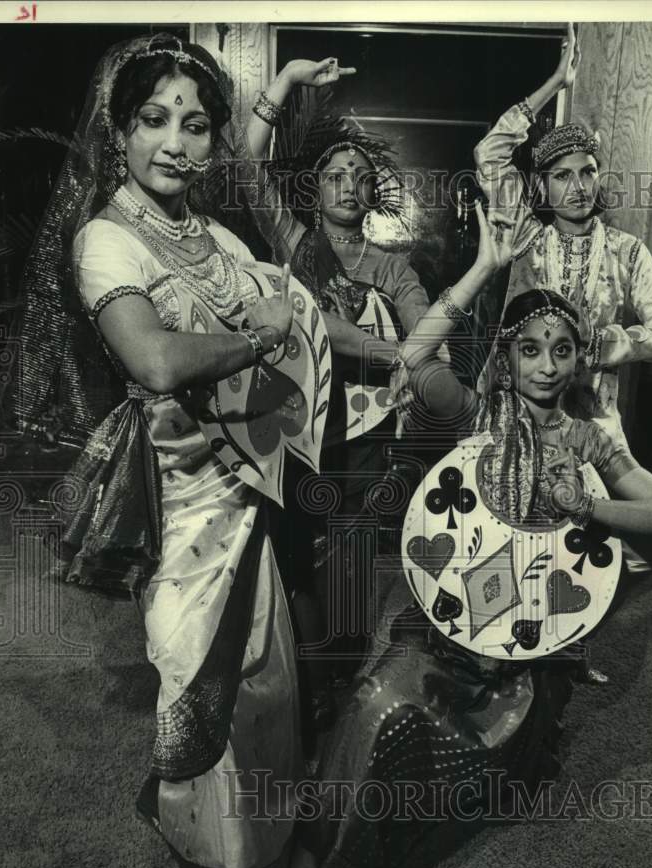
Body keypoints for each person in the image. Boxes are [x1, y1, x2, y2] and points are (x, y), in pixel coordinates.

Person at [13, 33, 328, 868]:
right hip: (182, 501)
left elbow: (284, 301)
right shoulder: (106, 238)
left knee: (265, 680)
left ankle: (245, 842)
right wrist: (262, 338)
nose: (175, 143)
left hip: (246, 490)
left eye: (196, 124)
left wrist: (394, 352)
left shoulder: (212, 232)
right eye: (154, 120)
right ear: (119, 131)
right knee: (200, 678)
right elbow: (153, 358)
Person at [297, 201, 652, 868]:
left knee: (485, 767)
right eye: (529, 348)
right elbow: (416, 354)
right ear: (506, 358)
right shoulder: (472, 416)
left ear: (578, 362)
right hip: (445, 628)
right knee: (375, 704)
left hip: (523, 651)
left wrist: (591, 506)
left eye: (562, 349)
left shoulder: (586, 439)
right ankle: (330, 852)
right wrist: (486, 266)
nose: (546, 365)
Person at [245, 58, 459, 730]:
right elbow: (248, 166)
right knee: (293, 563)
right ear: (314, 189)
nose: (347, 185)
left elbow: (428, 332)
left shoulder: (392, 266)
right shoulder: (294, 243)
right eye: (334, 175)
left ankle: (339, 691)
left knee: (352, 564)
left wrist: (428, 364)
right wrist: (283, 85)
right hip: (292, 429)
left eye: (360, 179)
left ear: (372, 198)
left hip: (362, 435)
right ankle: (303, 690)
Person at [473, 25, 652, 487]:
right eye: (563, 176)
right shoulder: (525, 233)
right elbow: (490, 153)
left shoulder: (627, 253)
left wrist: (608, 342)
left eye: (587, 173)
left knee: (639, 544)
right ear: (544, 187)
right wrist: (556, 83)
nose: (578, 187)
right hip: (515, 409)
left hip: (593, 414)